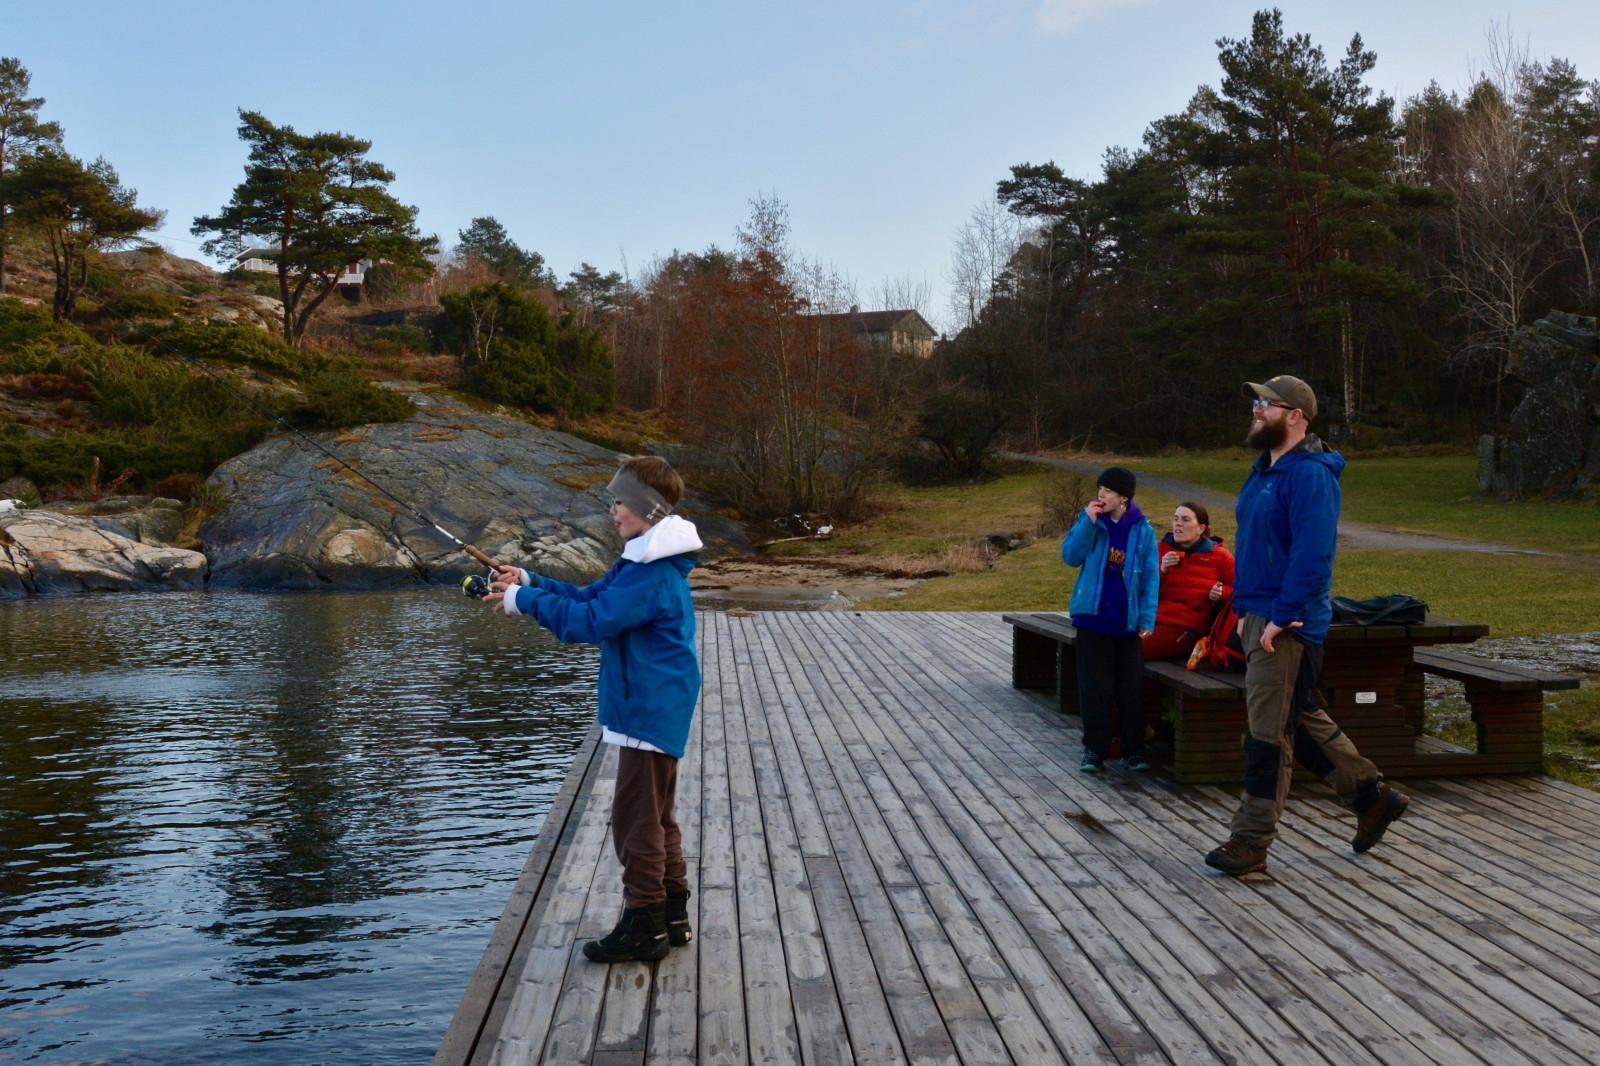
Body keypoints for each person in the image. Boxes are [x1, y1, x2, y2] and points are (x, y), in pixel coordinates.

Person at [484, 455, 703, 960]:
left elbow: (592, 621)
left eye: (619, 502)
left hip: (646, 704)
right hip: (654, 700)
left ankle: (644, 924)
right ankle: (671, 915)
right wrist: (532, 583)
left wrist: (522, 602)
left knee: (635, 818)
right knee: (656, 813)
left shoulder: (650, 571)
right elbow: (588, 598)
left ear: (646, 508)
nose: (612, 510)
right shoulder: (645, 561)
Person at [1205, 376, 1409, 877]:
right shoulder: (1265, 469)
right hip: (1259, 615)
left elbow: (1313, 555)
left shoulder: (1311, 475)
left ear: (1296, 415)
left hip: (1286, 622)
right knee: (1296, 718)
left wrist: (1279, 615)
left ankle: (1251, 841)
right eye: (1255, 402)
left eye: (1266, 405)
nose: (1256, 411)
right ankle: (1371, 796)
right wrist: (1244, 613)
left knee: (1267, 736)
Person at [1062, 466, 1160, 773]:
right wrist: (1087, 525)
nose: (1100, 495)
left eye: (1107, 491)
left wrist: (1146, 617)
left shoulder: (1142, 529)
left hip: (1127, 624)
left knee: (1130, 691)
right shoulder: (1090, 519)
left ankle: (1133, 752)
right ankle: (1094, 750)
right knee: (1095, 689)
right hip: (1093, 620)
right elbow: (1070, 556)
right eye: (1099, 489)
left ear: (1123, 497)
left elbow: (1151, 578)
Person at [1142, 502, 1234, 661]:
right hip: (1149, 621)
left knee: (1130, 649)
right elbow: (1139, 589)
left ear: (1201, 529)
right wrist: (1162, 571)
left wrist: (1221, 592)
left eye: (1185, 520)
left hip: (1186, 629)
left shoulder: (1219, 555)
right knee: (1106, 642)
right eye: (1176, 518)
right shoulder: (1158, 549)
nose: (1178, 524)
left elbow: (1240, 587)